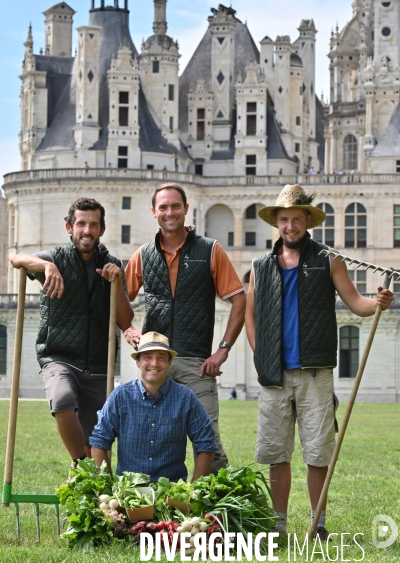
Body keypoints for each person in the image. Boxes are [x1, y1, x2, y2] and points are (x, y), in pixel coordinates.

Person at [245, 184, 394, 540]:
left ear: (308, 221)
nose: (291, 226)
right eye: (284, 219)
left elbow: (356, 303)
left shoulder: (330, 258)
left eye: (297, 219)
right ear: (276, 223)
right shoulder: (260, 265)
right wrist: (259, 352)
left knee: (317, 452)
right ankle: (278, 526)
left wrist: (380, 303)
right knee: (276, 453)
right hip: (274, 374)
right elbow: (250, 315)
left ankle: (318, 525)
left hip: (315, 371)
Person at [10, 197, 141, 470]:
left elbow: (125, 320)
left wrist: (116, 281)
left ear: (102, 230)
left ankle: (90, 482)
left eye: (93, 224)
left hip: (97, 365)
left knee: (100, 451)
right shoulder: (55, 258)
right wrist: (46, 266)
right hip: (59, 356)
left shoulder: (112, 264)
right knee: (62, 399)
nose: (87, 230)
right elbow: (16, 258)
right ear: (69, 227)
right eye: (81, 224)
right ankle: (79, 464)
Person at [124, 182, 246, 474]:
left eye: (175, 206)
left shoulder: (210, 250)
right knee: (152, 441)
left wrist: (223, 351)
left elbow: (240, 301)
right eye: (163, 207)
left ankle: (213, 513)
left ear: (186, 210)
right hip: (156, 362)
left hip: (196, 363)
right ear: (154, 212)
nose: (170, 212)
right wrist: (127, 328)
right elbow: (116, 298)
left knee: (210, 444)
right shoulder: (143, 255)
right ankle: (158, 510)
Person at [90, 332, 218, 482]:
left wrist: (193, 490)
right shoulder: (120, 397)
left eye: (161, 358)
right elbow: (99, 442)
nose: (154, 363)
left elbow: (206, 443)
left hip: (171, 492)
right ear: (137, 362)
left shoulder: (185, 397)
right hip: (128, 493)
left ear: (170, 362)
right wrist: (108, 489)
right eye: (148, 357)